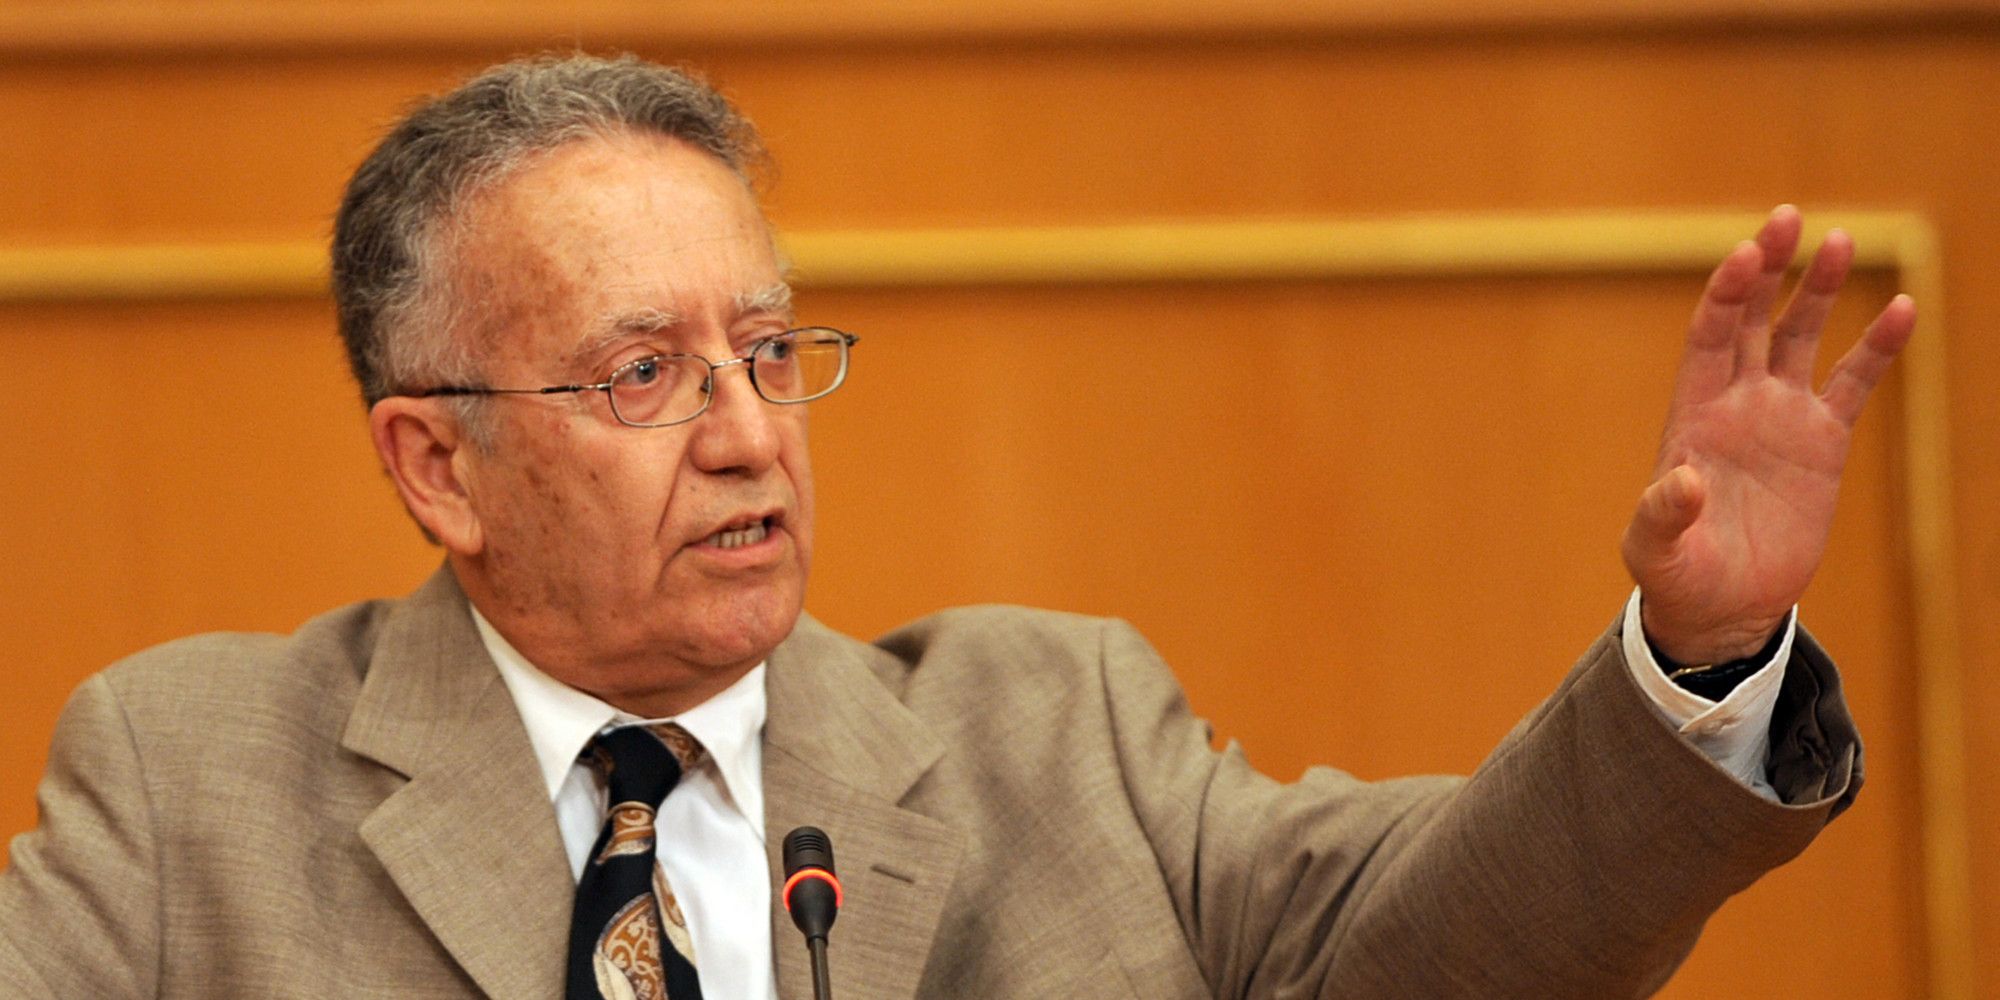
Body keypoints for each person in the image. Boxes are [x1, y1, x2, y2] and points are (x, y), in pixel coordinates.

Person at [0, 54, 1913, 999]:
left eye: (769, 352)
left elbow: (1442, 948)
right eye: (646, 375)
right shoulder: (188, 793)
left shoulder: (1053, 731)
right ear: (435, 466)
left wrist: (1702, 656)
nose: (749, 435)